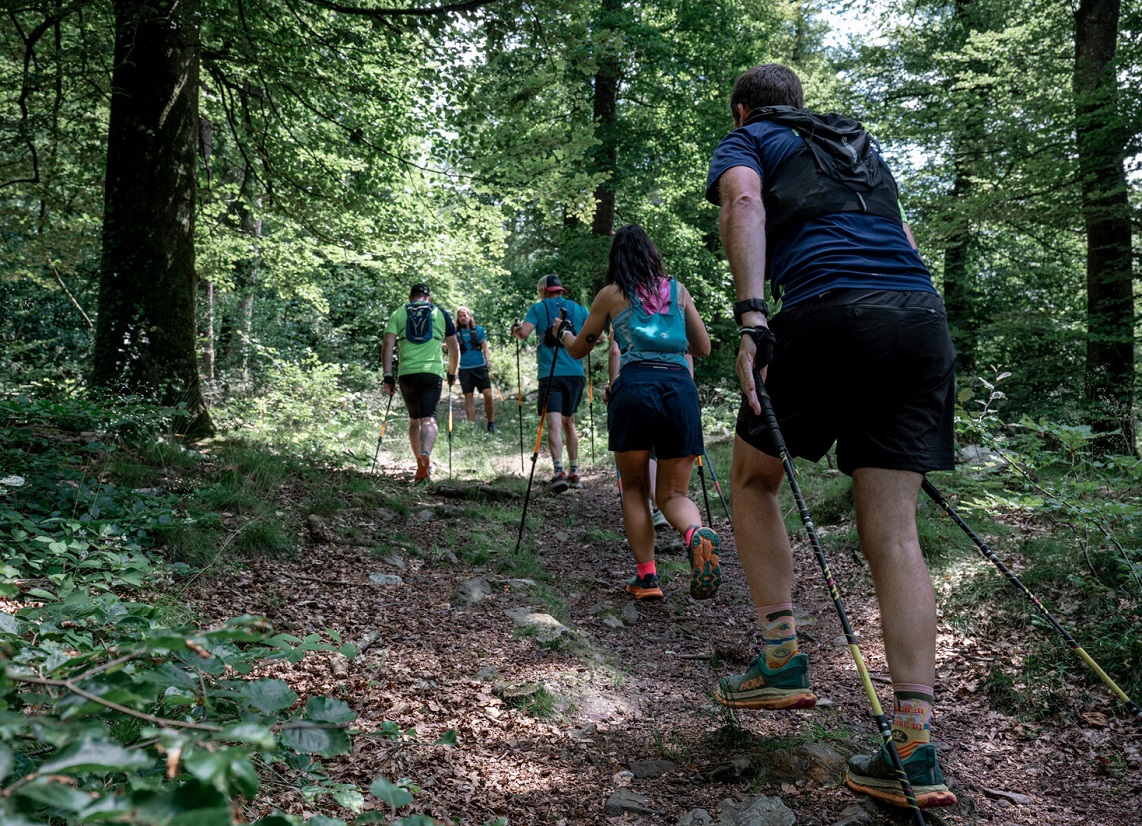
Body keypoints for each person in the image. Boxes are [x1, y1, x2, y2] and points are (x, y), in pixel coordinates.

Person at [706, 64, 957, 809]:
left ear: (744, 108)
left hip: (825, 310)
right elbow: (902, 234)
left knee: (752, 478)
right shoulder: (857, 146)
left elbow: (744, 201)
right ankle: (913, 743)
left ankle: (781, 659)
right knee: (897, 533)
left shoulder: (746, 139)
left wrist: (753, 315)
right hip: (918, 318)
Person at [554, 225, 718, 603]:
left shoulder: (611, 295)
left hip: (635, 390)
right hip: (679, 390)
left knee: (636, 489)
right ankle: (695, 534)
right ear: (652, 255)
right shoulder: (678, 290)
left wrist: (562, 332)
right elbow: (704, 348)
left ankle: (648, 578)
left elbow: (580, 349)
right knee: (674, 492)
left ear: (618, 259)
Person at [511, 275, 590, 494]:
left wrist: (515, 330)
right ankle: (575, 472)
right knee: (569, 422)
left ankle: (558, 473)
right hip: (575, 373)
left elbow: (524, 333)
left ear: (543, 291)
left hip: (550, 374)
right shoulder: (579, 309)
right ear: (560, 291)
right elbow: (600, 337)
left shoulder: (538, 309)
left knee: (554, 423)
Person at [382, 284, 459, 482]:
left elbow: (388, 344)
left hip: (407, 374)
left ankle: (419, 464)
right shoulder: (440, 313)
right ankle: (426, 455)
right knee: (429, 419)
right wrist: (452, 373)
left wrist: (388, 375)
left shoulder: (399, 313)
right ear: (429, 298)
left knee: (414, 421)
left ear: (411, 298)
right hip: (431, 373)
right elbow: (453, 347)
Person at [454, 306, 497, 433]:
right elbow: (452, 349)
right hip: (465, 369)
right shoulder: (455, 333)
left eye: (465, 315)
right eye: (460, 316)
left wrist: (488, 360)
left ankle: (491, 424)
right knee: (469, 396)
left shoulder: (479, 330)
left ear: (469, 316)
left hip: (480, 366)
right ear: (458, 318)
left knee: (488, 395)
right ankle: (471, 427)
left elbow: (485, 347)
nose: (463, 318)